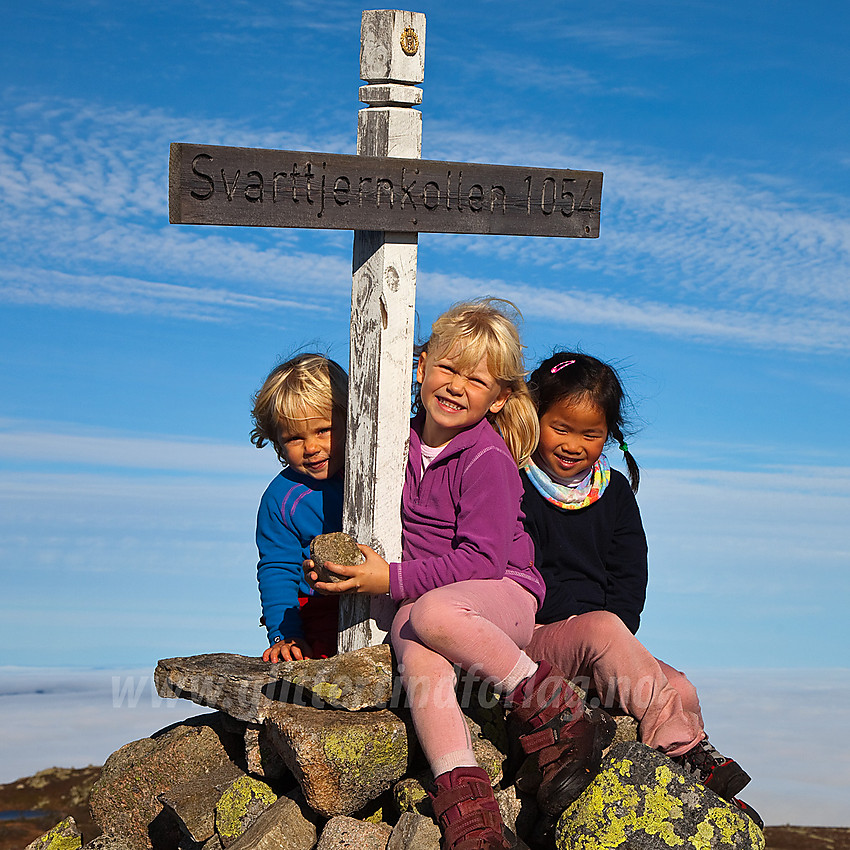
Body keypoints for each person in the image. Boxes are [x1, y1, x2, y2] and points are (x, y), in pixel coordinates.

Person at [307, 300, 616, 850]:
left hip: (503, 596)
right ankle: (469, 810)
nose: (456, 386)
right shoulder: (390, 446)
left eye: (476, 380)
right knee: (413, 640)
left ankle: (563, 715)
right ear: (420, 365)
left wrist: (387, 581)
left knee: (424, 612)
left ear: (498, 398)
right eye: (448, 368)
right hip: (435, 605)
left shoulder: (485, 458)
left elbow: (482, 562)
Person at [521, 351, 761, 826]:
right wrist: (598, 625)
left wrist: (616, 627)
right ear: (533, 419)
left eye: (591, 434)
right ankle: (681, 748)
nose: (574, 444)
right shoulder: (516, 483)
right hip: (536, 635)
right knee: (605, 631)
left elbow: (630, 574)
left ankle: (692, 776)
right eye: (561, 428)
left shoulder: (612, 493)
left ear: (609, 434)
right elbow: (523, 571)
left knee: (681, 686)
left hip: (603, 637)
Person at [250, 353, 347, 663]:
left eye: (323, 430)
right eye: (294, 438)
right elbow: (278, 568)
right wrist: (285, 634)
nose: (311, 447)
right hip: (319, 609)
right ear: (277, 443)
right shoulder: (281, 499)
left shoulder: (381, 473)